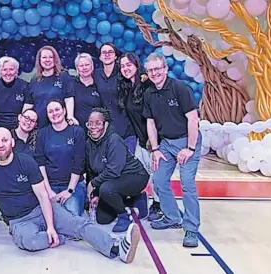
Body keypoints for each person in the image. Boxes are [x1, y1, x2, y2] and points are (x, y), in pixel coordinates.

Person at [0, 127, 141, 265]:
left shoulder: (26, 162)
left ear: (12, 142)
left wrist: (50, 226)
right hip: (19, 222)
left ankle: (117, 247)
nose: (1, 144)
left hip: (41, 209)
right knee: (29, 242)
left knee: (79, 224)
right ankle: (62, 237)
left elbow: (42, 196)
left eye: (5, 140)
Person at [143, 52, 202, 248]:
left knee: (187, 184)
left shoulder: (180, 88)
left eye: (158, 69)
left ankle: (191, 229)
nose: (154, 73)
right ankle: (172, 217)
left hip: (187, 142)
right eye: (150, 70)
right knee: (158, 180)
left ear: (165, 69)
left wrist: (190, 148)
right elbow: (150, 123)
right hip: (166, 144)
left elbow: (193, 119)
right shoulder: (149, 93)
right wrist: (156, 149)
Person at [85, 108, 149, 232]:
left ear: (106, 124)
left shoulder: (114, 140)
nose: (93, 127)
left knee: (107, 189)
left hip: (135, 176)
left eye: (98, 123)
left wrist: (93, 184)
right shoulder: (89, 143)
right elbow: (92, 170)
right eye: (90, 123)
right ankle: (135, 200)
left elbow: (114, 170)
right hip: (114, 181)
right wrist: (96, 194)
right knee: (102, 219)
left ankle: (124, 215)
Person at [117, 52, 163, 221]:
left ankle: (159, 206)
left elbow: (157, 114)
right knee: (143, 174)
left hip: (155, 140)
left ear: (136, 65)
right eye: (122, 66)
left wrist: (155, 140)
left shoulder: (146, 85)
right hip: (141, 140)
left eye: (129, 65)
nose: (125, 68)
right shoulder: (128, 88)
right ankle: (145, 201)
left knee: (157, 175)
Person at [35, 100, 86, 216]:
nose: (54, 113)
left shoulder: (77, 131)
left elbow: (78, 163)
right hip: (50, 185)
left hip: (74, 186)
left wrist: (69, 190)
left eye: (57, 109)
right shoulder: (42, 134)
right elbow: (40, 164)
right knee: (49, 217)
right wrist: (48, 191)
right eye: (50, 111)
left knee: (71, 216)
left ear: (64, 110)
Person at [23, 46, 78, 128]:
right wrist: (23, 120)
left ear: (55, 59)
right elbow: (28, 103)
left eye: (50, 57)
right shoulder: (34, 80)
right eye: (44, 57)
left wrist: (70, 116)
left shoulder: (64, 76)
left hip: (59, 125)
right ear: (39, 60)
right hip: (39, 126)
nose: (47, 60)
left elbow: (69, 98)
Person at [93, 43, 135, 150]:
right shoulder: (96, 75)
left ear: (116, 56)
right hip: (106, 128)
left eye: (110, 52)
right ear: (100, 57)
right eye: (104, 52)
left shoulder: (124, 72)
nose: (107, 55)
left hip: (126, 126)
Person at [0, 56, 29, 130]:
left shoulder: (25, 86)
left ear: (16, 71)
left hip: (18, 128)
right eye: (4, 70)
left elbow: (27, 112)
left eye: (11, 69)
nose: (8, 73)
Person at [73, 53, 103, 130]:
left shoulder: (99, 84)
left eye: (87, 65)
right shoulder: (71, 84)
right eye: (81, 66)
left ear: (92, 66)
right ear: (77, 69)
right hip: (76, 130)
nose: (84, 68)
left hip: (96, 131)